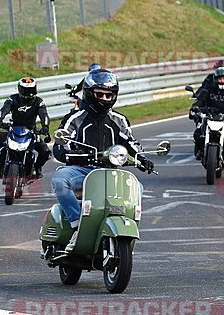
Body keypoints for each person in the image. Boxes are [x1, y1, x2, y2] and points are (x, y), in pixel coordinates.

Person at [52, 69, 154, 252]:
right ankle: (76, 225)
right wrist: (70, 154)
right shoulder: (75, 118)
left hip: (111, 171)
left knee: (137, 187)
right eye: (100, 94)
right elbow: (61, 144)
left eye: (109, 95)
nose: (105, 99)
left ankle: (125, 227)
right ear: (89, 93)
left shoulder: (119, 119)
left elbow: (131, 142)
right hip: (81, 170)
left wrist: (142, 158)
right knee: (60, 181)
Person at [0, 77, 51, 179]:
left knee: (45, 152)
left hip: (31, 131)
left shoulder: (39, 102)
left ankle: (37, 168)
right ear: (20, 89)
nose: (29, 93)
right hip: (13, 129)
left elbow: (44, 115)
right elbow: (3, 110)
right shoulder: (12, 99)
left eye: (31, 90)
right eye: (26, 90)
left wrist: (45, 127)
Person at [190, 66, 224, 163]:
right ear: (216, 79)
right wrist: (195, 106)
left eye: (223, 78)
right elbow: (201, 100)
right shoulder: (210, 90)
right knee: (197, 134)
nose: (222, 80)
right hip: (210, 116)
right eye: (220, 78)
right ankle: (200, 151)